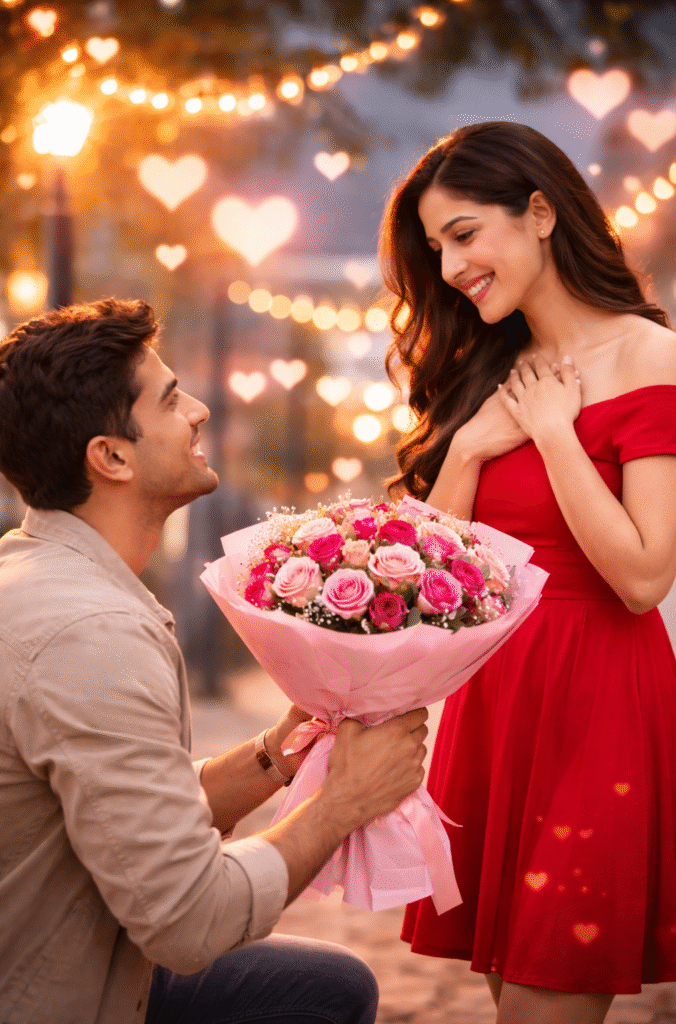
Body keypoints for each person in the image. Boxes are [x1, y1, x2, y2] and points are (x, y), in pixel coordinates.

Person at [0, 298, 429, 1024]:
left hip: (88, 953)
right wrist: (343, 802)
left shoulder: (35, 575)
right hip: (48, 991)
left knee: (327, 985)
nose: (197, 411)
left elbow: (123, 813)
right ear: (111, 456)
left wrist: (276, 756)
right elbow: (189, 921)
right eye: (168, 400)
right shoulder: (89, 632)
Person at [380, 121, 676, 1024]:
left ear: (540, 211)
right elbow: (435, 579)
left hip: (597, 705)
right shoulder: (487, 367)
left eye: (464, 233)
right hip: (496, 703)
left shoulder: (649, 357)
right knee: (514, 999)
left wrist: (553, 434)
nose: (450, 267)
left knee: (547, 1003)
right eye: (435, 249)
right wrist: (467, 450)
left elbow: (642, 577)